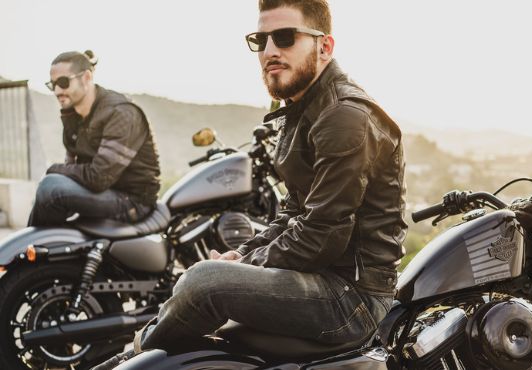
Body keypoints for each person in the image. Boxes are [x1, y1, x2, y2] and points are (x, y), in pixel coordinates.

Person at [92, 1, 406, 367]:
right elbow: (292, 212)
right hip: (321, 281)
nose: (270, 50)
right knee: (205, 277)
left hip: (352, 299)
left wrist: (246, 264)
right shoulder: (302, 107)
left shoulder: (344, 115)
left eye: (286, 37)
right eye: (261, 40)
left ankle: (132, 355)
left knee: (204, 283)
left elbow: (321, 234)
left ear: (325, 47)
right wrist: (242, 256)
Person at [27, 50, 161, 227]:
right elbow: (72, 166)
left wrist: (53, 169)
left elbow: (99, 178)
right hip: (103, 192)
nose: (58, 91)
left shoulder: (120, 113)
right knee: (48, 192)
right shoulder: (73, 115)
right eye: (52, 85)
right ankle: (37, 250)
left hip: (133, 201)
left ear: (86, 78)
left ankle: (32, 249)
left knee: (51, 188)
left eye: (63, 82)